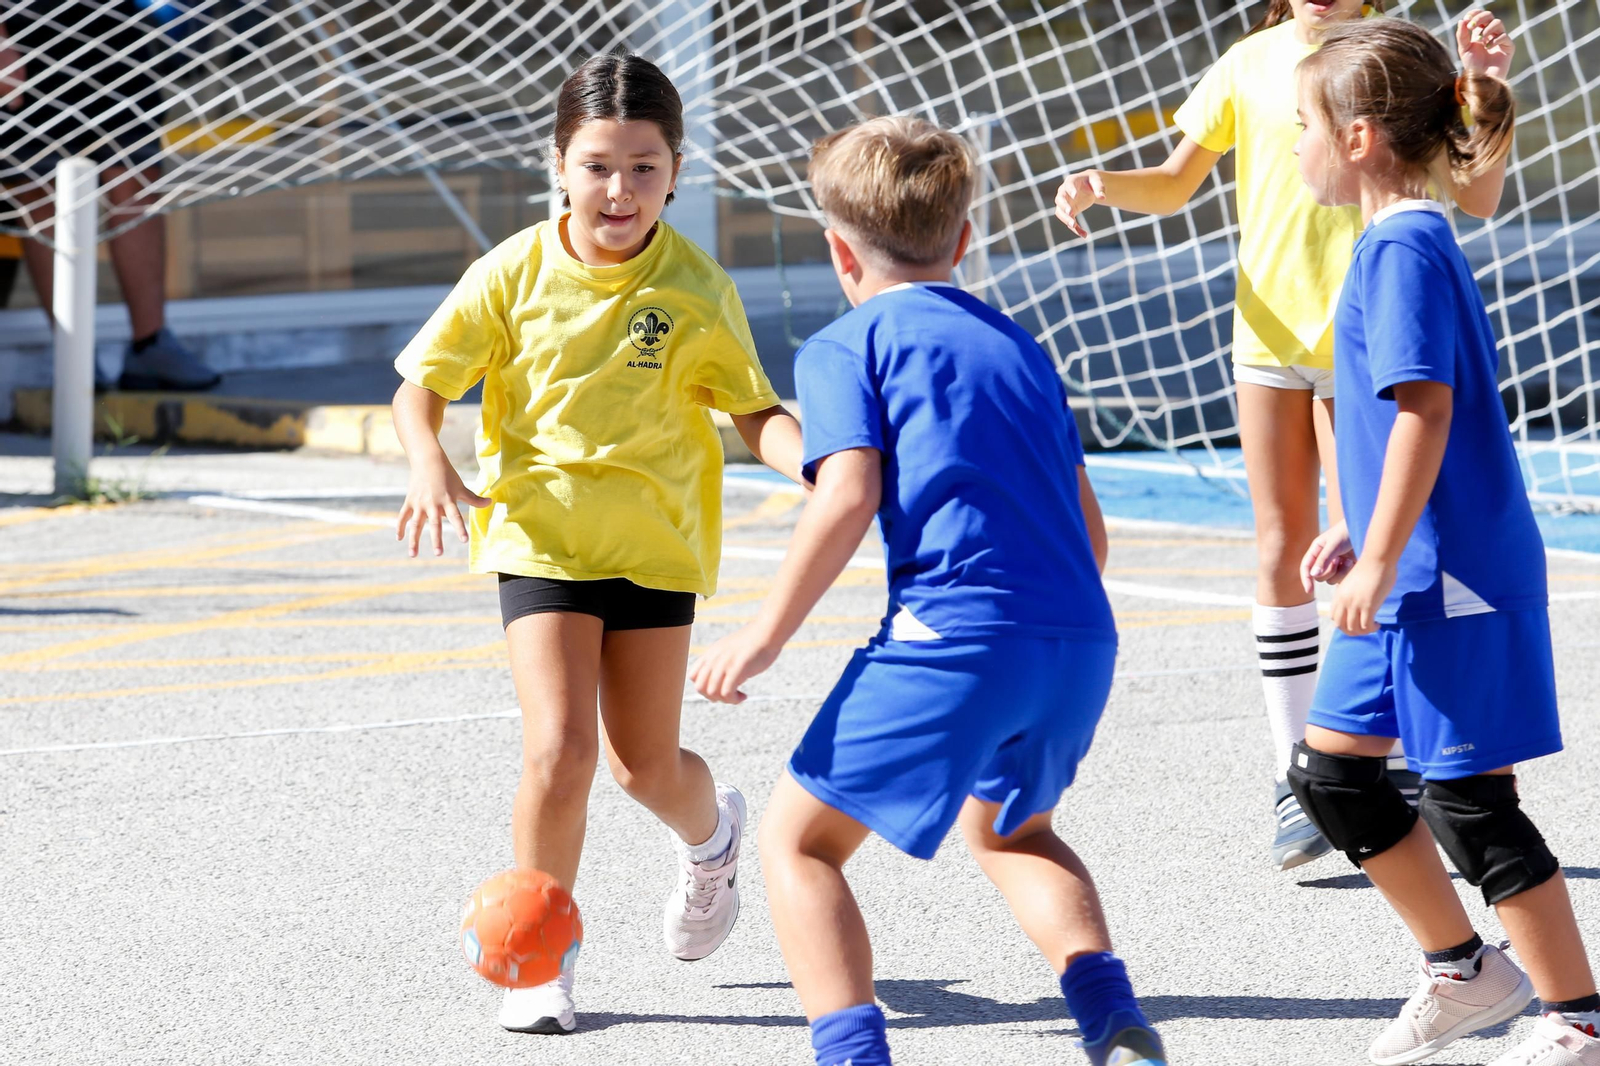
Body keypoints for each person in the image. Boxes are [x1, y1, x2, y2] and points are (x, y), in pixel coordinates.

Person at [691, 116, 1168, 1066]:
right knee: (1015, 832)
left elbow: (847, 494)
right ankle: (1111, 1016)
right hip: (1078, 638)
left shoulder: (845, 345)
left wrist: (763, 636)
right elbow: (1091, 529)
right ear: (962, 239)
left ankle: (852, 1056)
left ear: (837, 250)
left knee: (799, 846)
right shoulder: (1020, 345)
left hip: (954, 635)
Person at [391, 50, 803, 1036]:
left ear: (676, 170)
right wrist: (425, 460)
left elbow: (755, 412)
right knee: (560, 747)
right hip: (540, 540)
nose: (619, 190)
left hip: (654, 548)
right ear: (559, 165)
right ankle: (538, 961)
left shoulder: (698, 286)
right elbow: (423, 383)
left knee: (641, 766)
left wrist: (819, 466)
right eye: (597, 166)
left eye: (644, 168)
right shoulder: (513, 272)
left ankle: (712, 842)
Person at [1053, 0, 1515, 870]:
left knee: (1380, 543)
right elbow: (1175, 181)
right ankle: (1293, 775)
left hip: (1371, 344)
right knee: (1280, 546)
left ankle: (1392, 752)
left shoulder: (1389, 63)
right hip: (1267, 342)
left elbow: (1480, 194)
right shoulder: (1247, 61)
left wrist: (1486, 83)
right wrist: (1102, 184)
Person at [1289, 18, 1598, 1066]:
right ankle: (1467, 971)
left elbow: (1425, 405)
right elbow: (1393, 430)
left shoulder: (1406, 244)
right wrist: (1355, 526)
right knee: (1333, 776)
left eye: (1304, 127)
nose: (1298, 148)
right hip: (1402, 563)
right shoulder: (1391, 239)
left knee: (1471, 802)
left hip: (1446, 571)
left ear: (1363, 136)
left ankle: (1579, 1021)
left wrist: (1378, 557)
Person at [0, 1, 219, 390]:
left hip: (112, 18)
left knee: (136, 170)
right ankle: (73, 358)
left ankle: (151, 343)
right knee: (40, 186)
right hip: (22, 22)